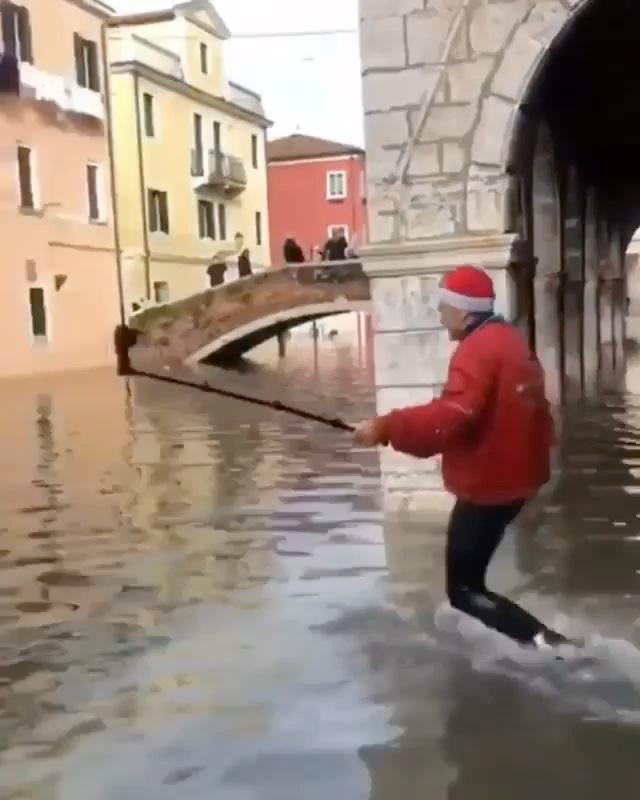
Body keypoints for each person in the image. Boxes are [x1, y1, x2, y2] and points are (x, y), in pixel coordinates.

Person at [353, 264, 576, 651]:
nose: (440, 317)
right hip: (513, 482)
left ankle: (552, 646)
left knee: (464, 590)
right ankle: (537, 641)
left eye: (444, 308)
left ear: (465, 312)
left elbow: (451, 418)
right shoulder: (509, 339)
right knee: (470, 581)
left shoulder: (477, 351)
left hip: (488, 488)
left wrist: (385, 428)